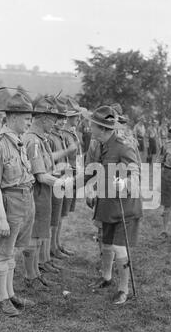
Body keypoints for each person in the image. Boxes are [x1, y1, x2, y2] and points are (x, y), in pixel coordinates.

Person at [84, 106, 143, 305]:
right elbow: (91, 171)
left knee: (119, 247)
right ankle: (107, 277)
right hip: (107, 203)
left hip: (124, 206)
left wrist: (125, 183)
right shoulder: (101, 144)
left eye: (93, 124)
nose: (90, 127)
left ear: (102, 128)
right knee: (105, 242)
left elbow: (135, 172)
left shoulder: (123, 145)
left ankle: (123, 290)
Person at [0, 92, 36, 317]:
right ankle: (1, 299)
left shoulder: (18, 142)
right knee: (3, 252)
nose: (29, 122)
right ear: (14, 116)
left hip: (24, 199)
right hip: (10, 203)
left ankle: (10, 294)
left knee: (12, 252)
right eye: (27, 118)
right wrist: (3, 217)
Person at [22, 95, 64, 286]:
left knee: (39, 235)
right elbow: (41, 176)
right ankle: (30, 276)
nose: (55, 123)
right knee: (34, 236)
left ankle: (35, 272)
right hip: (36, 193)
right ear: (44, 118)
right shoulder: (34, 141)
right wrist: (66, 183)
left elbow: (47, 170)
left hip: (43, 193)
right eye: (53, 119)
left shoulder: (41, 140)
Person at [47, 97, 78, 262]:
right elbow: (50, 160)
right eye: (59, 118)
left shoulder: (59, 135)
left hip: (65, 178)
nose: (62, 122)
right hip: (55, 181)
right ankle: (52, 247)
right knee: (55, 217)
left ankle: (56, 244)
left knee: (61, 215)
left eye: (64, 118)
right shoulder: (50, 137)